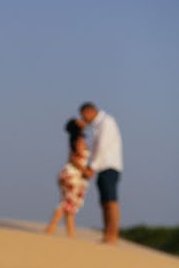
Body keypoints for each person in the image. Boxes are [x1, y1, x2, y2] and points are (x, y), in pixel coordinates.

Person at [77, 102, 123, 245]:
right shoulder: (99, 124)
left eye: (83, 115)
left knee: (111, 201)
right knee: (104, 202)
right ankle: (107, 234)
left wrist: (92, 167)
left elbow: (103, 147)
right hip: (102, 167)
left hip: (109, 166)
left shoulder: (106, 122)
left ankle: (113, 234)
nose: (84, 119)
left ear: (90, 111)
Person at [46, 118, 90, 237]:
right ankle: (51, 228)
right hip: (73, 175)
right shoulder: (79, 140)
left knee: (71, 206)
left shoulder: (75, 140)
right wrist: (85, 171)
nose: (83, 122)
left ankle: (71, 234)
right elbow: (74, 158)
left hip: (70, 175)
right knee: (67, 203)